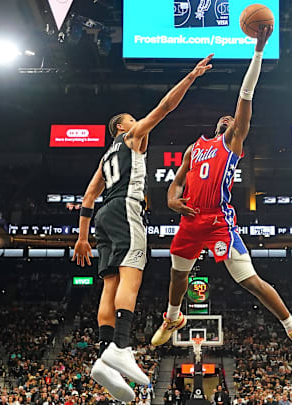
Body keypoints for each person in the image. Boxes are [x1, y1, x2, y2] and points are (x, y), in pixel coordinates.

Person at [148, 25, 292, 364]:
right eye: (223, 119)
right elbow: (176, 182)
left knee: (250, 281)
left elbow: (245, 96)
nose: (228, 119)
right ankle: (172, 317)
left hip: (219, 222)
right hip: (191, 219)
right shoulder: (195, 148)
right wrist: (170, 198)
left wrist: (258, 50)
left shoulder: (232, 143)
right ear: (214, 125)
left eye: (232, 119)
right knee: (177, 274)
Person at [72, 54, 214, 402]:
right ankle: (121, 346)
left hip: (104, 215)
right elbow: (165, 107)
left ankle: (106, 356)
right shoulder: (132, 136)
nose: (139, 122)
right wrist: (191, 76)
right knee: (131, 277)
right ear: (122, 127)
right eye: (132, 120)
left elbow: (89, 196)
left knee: (110, 284)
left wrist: (81, 237)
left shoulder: (105, 158)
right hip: (125, 209)